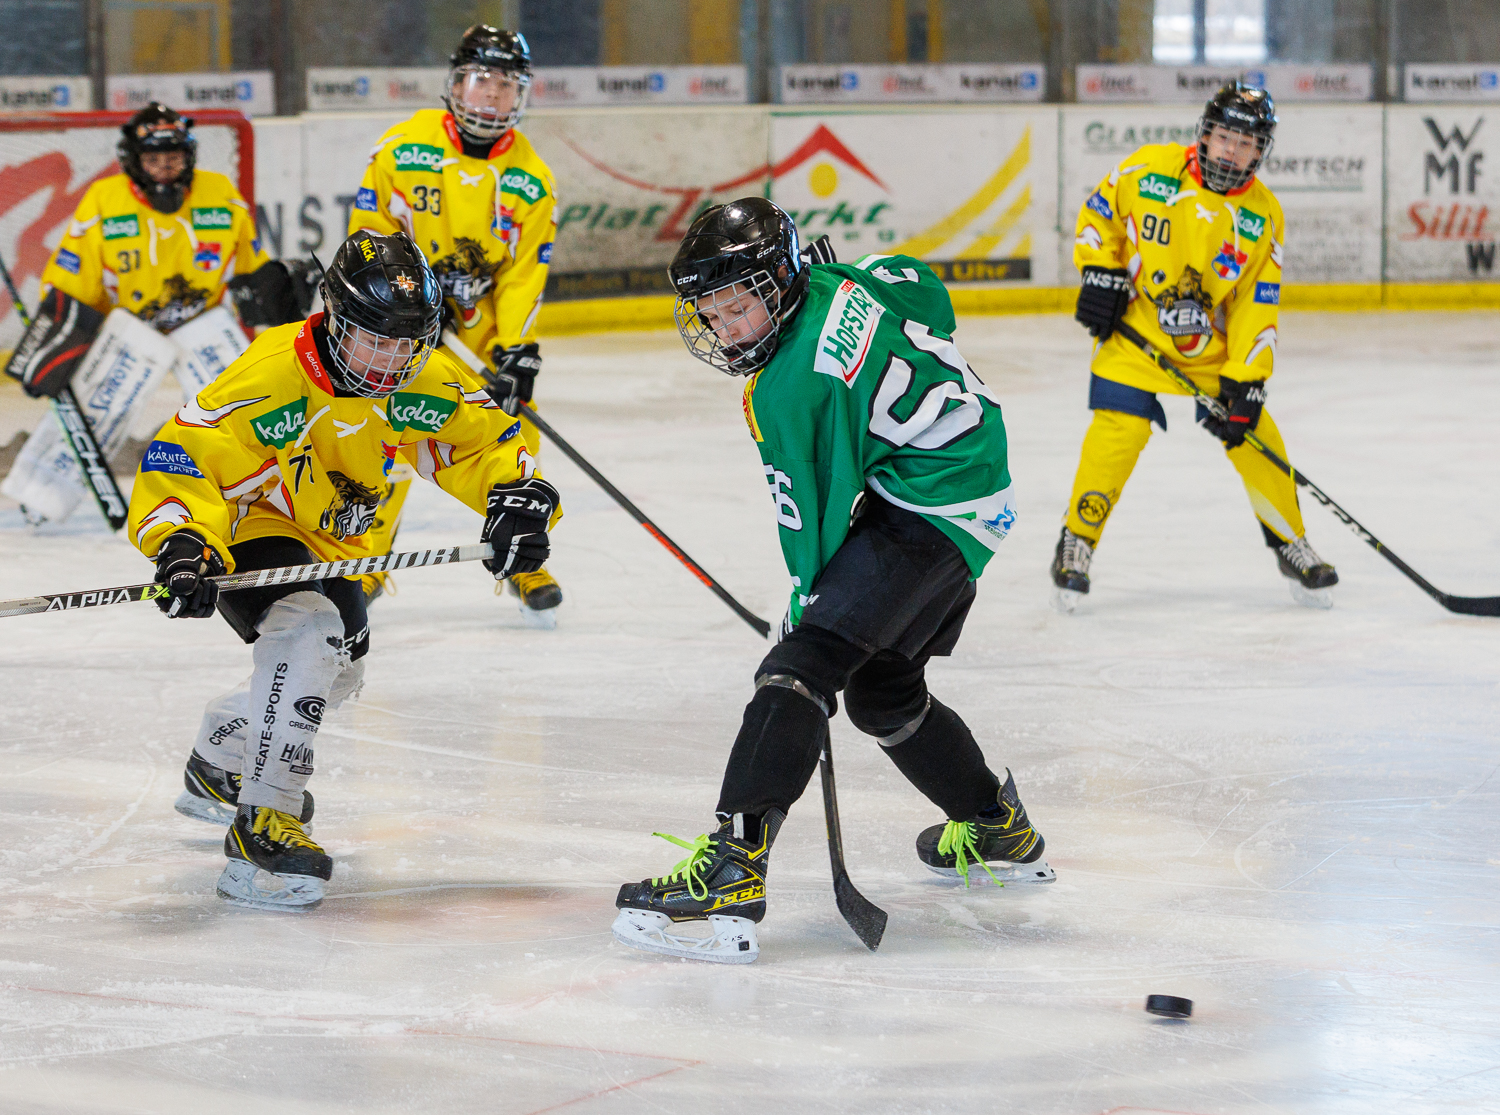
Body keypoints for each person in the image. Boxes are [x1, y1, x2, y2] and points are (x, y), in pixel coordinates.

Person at [611, 198, 1054, 965]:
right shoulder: (844, 278)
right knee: (883, 694)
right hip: (972, 482)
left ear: (778, 283)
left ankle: (734, 865)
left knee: (798, 669)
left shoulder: (791, 386)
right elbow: (925, 292)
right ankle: (997, 826)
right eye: (712, 314)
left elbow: (813, 513)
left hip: (930, 507)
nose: (726, 329)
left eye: (739, 307)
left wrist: (805, 606)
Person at [128, 230, 560, 909]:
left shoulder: (418, 375)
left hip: (333, 539)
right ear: (334, 317)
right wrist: (182, 542)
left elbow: (481, 443)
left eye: (408, 342)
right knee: (308, 633)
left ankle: (222, 754)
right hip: (252, 523)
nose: (392, 361)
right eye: (375, 340)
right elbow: (183, 456)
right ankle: (263, 821)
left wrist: (516, 502)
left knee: (341, 667)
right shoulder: (273, 378)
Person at [1053, 81, 1337, 612]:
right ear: (1205, 135)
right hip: (1135, 338)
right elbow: (1099, 215)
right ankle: (1077, 541)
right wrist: (1100, 272)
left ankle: (1289, 541)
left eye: (1246, 143)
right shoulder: (1148, 169)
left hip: (1207, 351)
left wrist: (1247, 379)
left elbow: (1256, 304)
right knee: (1117, 434)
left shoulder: (1262, 215)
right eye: (1225, 137)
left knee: (1258, 438)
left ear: (1261, 151)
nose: (1232, 152)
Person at [348, 25, 564, 622]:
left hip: (479, 325)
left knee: (515, 432)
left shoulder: (532, 179)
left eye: (505, 84)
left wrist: (516, 350)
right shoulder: (401, 150)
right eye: (479, 80)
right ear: (455, 84)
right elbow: (368, 237)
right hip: (402, 318)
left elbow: (522, 276)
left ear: (520, 94)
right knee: (386, 429)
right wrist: (401, 303)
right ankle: (365, 557)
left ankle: (523, 554)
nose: (491, 94)